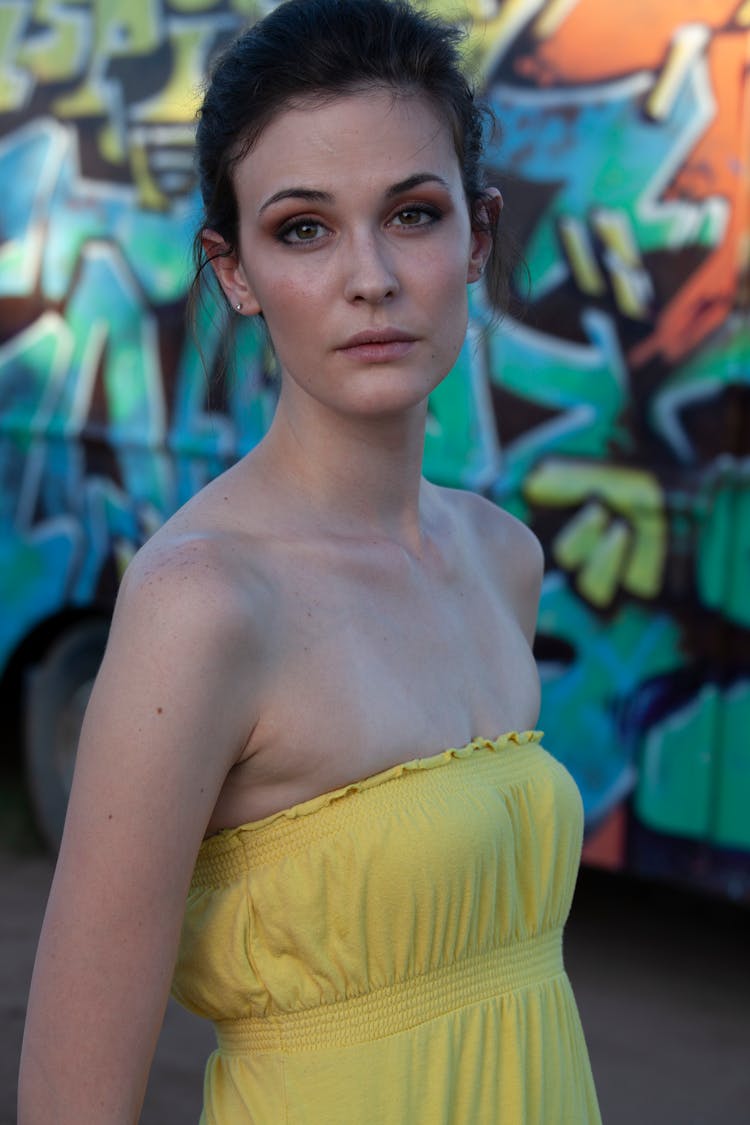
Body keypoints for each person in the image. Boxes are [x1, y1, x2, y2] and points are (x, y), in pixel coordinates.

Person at [18, 1, 601, 1121]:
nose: (370, 276)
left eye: (413, 214)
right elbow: (72, 1092)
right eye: (302, 229)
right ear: (233, 272)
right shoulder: (204, 603)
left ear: (477, 236)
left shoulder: (501, 559)